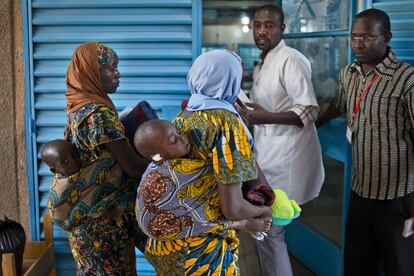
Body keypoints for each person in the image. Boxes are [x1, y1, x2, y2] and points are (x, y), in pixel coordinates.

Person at [141, 49, 272, 275]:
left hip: (168, 243)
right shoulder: (227, 124)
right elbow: (233, 208)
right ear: (230, 82)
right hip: (200, 250)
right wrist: (265, 212)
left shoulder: (184, 116)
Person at [317, 9, 414, 276]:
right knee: (358, 265)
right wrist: (308, 124)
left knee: (400, 268)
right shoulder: (349, 73)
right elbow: (338, 107)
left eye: (368, 37)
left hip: (398, 197)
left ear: (387, 37)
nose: (358, 43)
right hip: (361, 191)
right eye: (354, 36)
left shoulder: (406, 79)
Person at [236, 5, 324, 276]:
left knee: (270, 231)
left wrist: (263, 117)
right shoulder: (266, 60)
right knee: (269, 232)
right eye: (258, 25)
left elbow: (309, 109)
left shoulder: (289, 58)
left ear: (282, 29)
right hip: (269, 152)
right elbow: (265, 107)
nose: (262, 31)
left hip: (286, 158)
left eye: (269, 25)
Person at [47, 42, 149, 275]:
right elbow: (133, 167)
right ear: (92, 72)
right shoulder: (98, 113)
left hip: (87, 224)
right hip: (103, 225)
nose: (118, 73)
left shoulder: (77, 108)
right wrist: (165, 159)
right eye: (111, 67)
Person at [134, 119, 272, 240]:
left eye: (179, 131)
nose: (182, 138)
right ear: (157, 157)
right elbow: (219, 173)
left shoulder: (180, 157)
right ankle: (241, 224)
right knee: (199, 216)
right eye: (174, 141)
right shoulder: (167, 171)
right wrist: (263, 211)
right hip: (163, 229)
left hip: (158, 230)